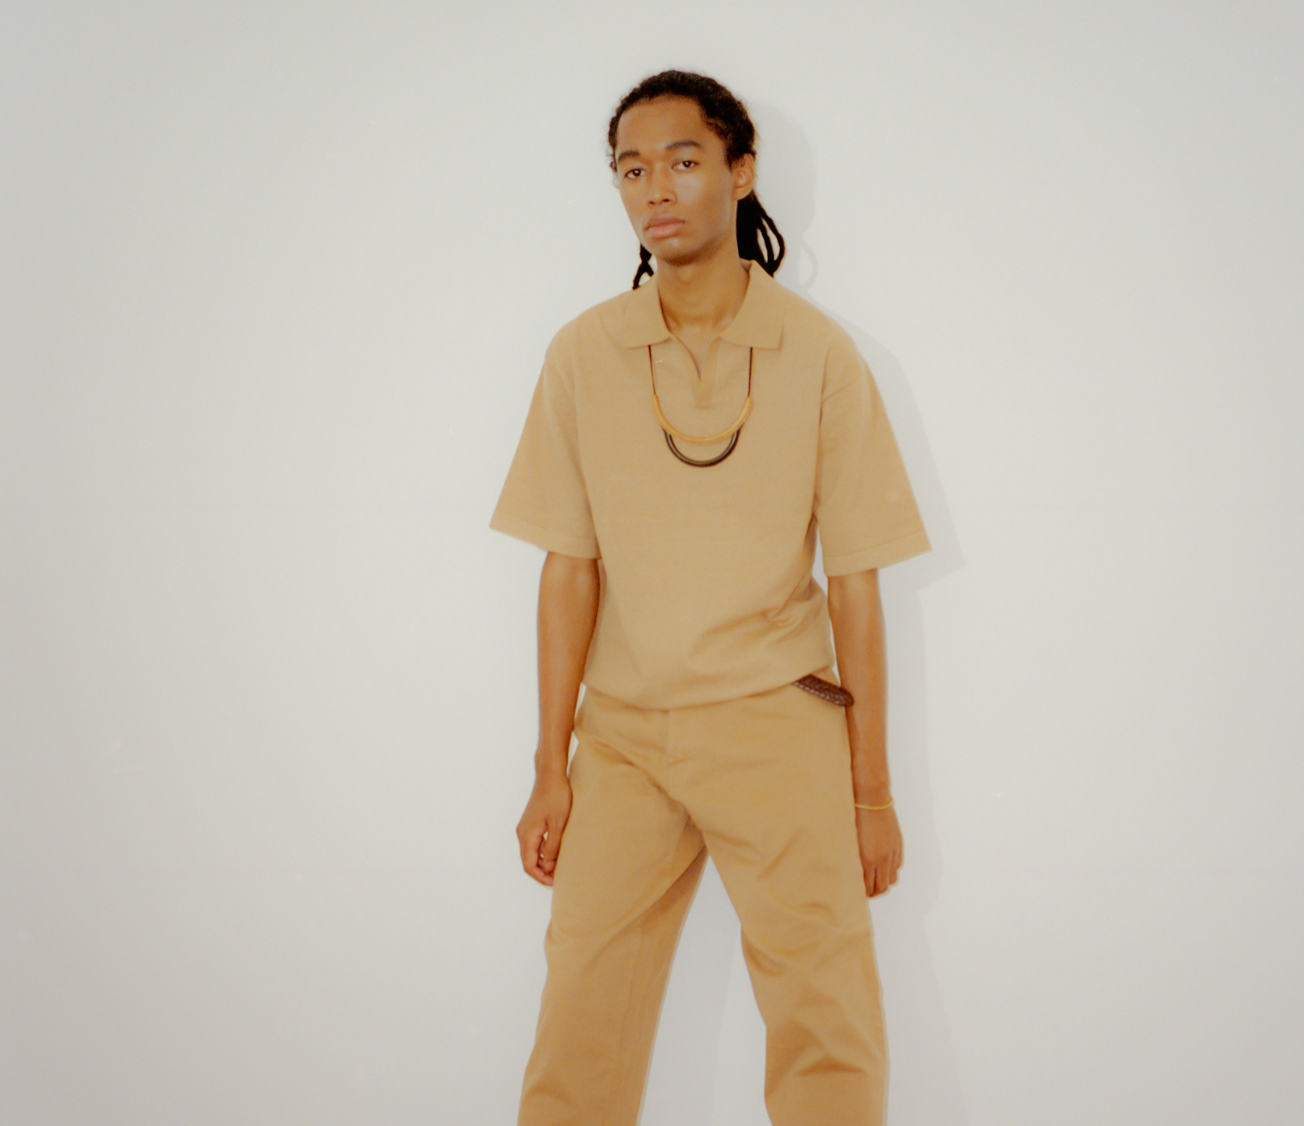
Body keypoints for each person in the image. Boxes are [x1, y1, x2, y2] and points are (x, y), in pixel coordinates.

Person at [491, 69, 930, 1126]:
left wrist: (871, 791)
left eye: (682, 161)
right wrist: (550, 766)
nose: (655, 188)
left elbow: (856, 585)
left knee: (824, 1012)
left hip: (778, 725)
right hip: (624, 738)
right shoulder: (582, 353)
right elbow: (568, 570)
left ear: (740, 170)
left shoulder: (820, 356)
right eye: (630, 169)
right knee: (580, 1013)